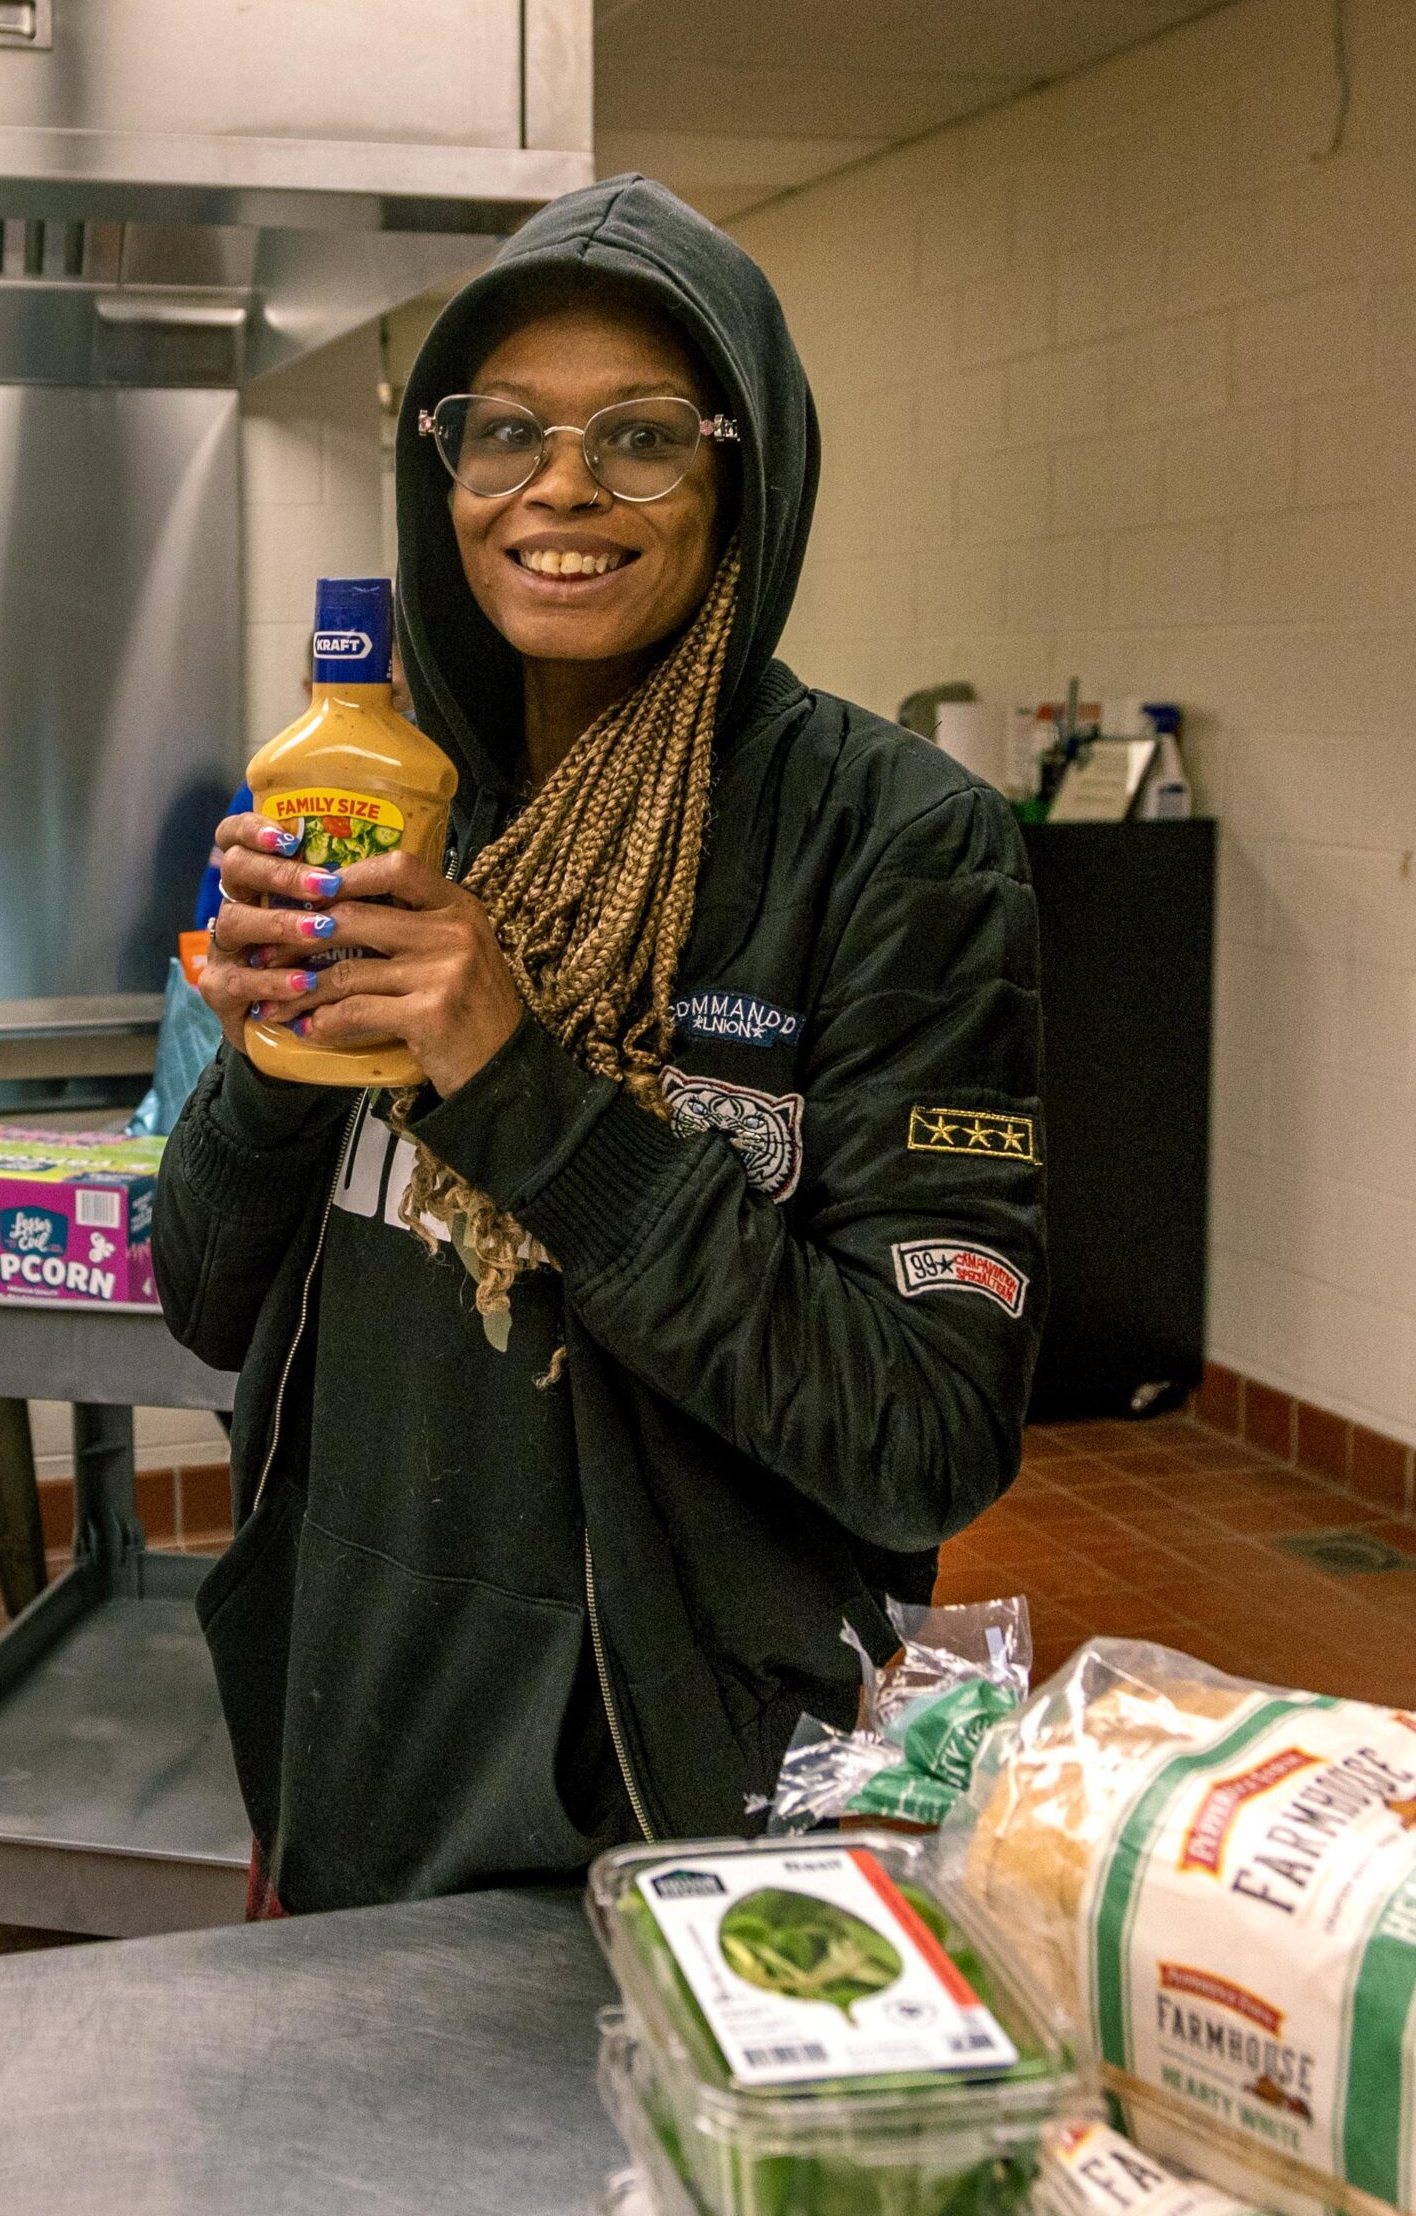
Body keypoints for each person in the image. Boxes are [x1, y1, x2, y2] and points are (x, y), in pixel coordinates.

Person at [154, 176, 1044, 1916]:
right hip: (358, 1723)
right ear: (446, 476)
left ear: (745, 475)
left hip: (687, 1787)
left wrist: (523, 1086)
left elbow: (927, 1431)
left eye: (639, 436)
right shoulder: (382, 813)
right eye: (507, 435)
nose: (561, 489)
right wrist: (270, 1055)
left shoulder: (895, 844)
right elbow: (205, 1293)